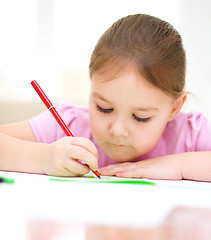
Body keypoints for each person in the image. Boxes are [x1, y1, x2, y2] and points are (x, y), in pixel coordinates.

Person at [1, 14, 211, 181]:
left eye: (140, 117)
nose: (118, 130)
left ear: (174, 108)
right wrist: (42, 158)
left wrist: (178, 165)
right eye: (104, 108)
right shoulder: (68, 124)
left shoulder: (191, 134)